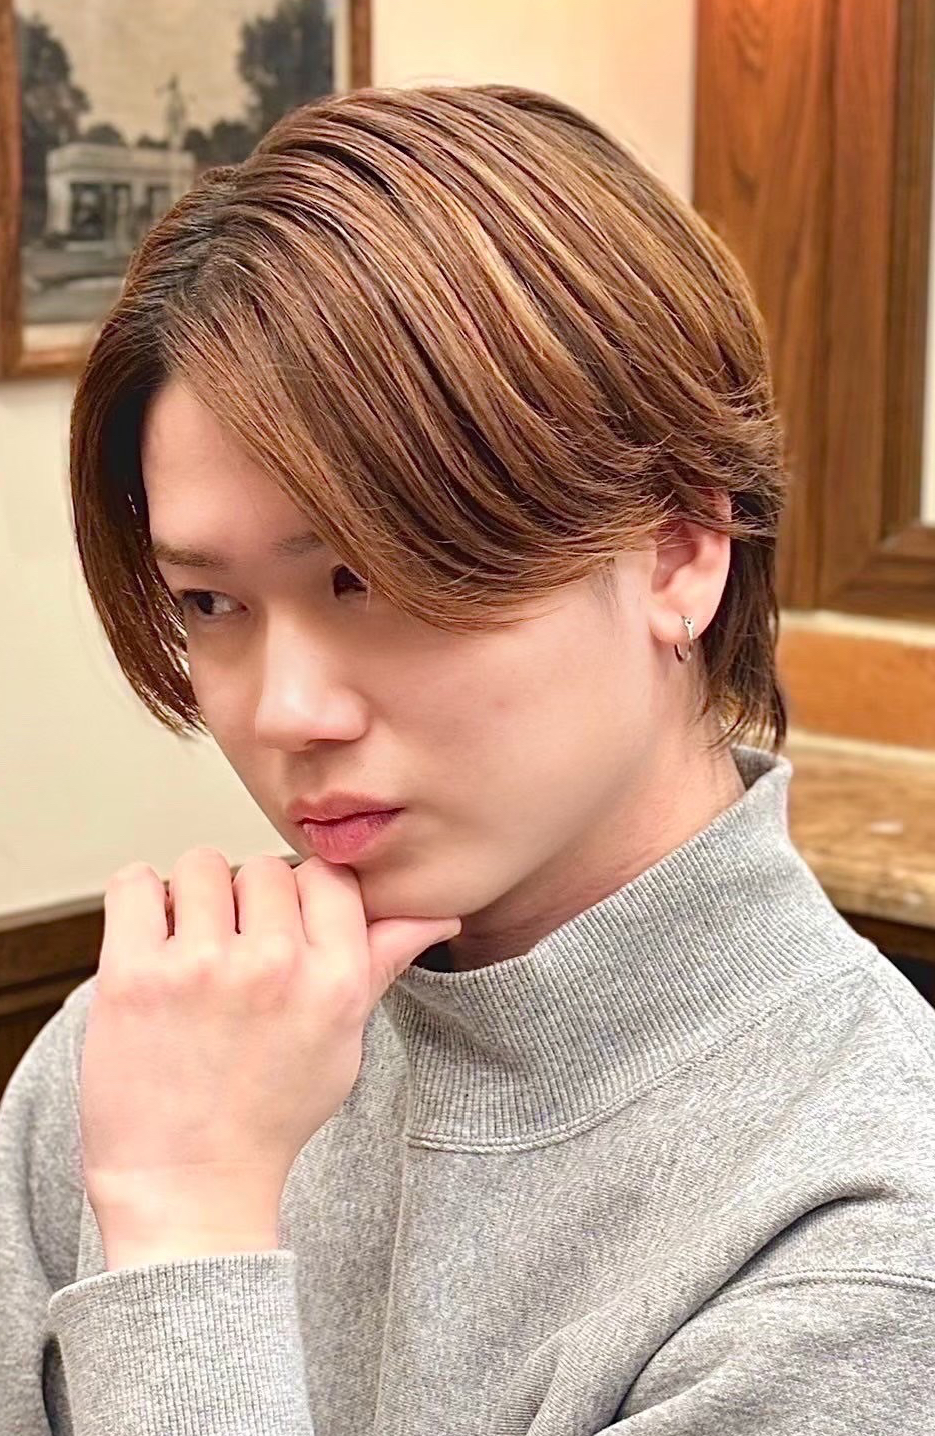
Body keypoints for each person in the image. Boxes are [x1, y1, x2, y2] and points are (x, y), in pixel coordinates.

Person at [1, 83, 934, 1436]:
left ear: (679, 551)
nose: (288, 711)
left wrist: (187, 1231)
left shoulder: (864, 1230)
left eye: (371, 579)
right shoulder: (145, 1054)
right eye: (209, 603)